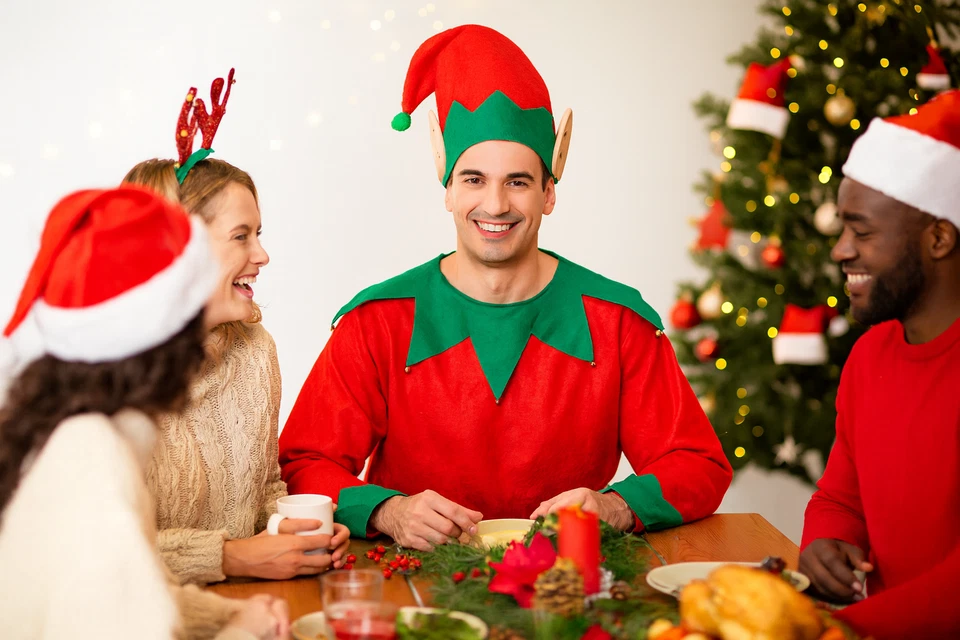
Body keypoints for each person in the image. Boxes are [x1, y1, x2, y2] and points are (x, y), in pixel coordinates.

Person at [280, 25, 732, 550]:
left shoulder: (619, 321)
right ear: (447, 190)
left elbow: (698, 465)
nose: (495, 205)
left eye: (517, 182)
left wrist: (615, 506)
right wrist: (388, 511)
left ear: (548, 193)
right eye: (473, 179)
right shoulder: (376, 321)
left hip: (570, 584)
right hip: (411, 588)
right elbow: (305, 463)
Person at [0, 187, 289, 639]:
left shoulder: (75, 430)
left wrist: (227, 617)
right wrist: (247, 633)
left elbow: (139, 593)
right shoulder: (92, 459)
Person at [124, 69, 348, 584]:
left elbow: (265, 486)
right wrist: (229, 557)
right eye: (241, 236)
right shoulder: (99, 376)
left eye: (259, 234)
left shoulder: (254, 351)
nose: (262, 255)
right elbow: (88, 548)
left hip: (254, 610)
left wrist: (298, 525)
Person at [799, 90, 960, 638]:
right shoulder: (870, 355)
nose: (841, 250)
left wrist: (837, 631)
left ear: (938, 238)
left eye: (862, 231)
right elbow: (840, 496)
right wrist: (825, 539)